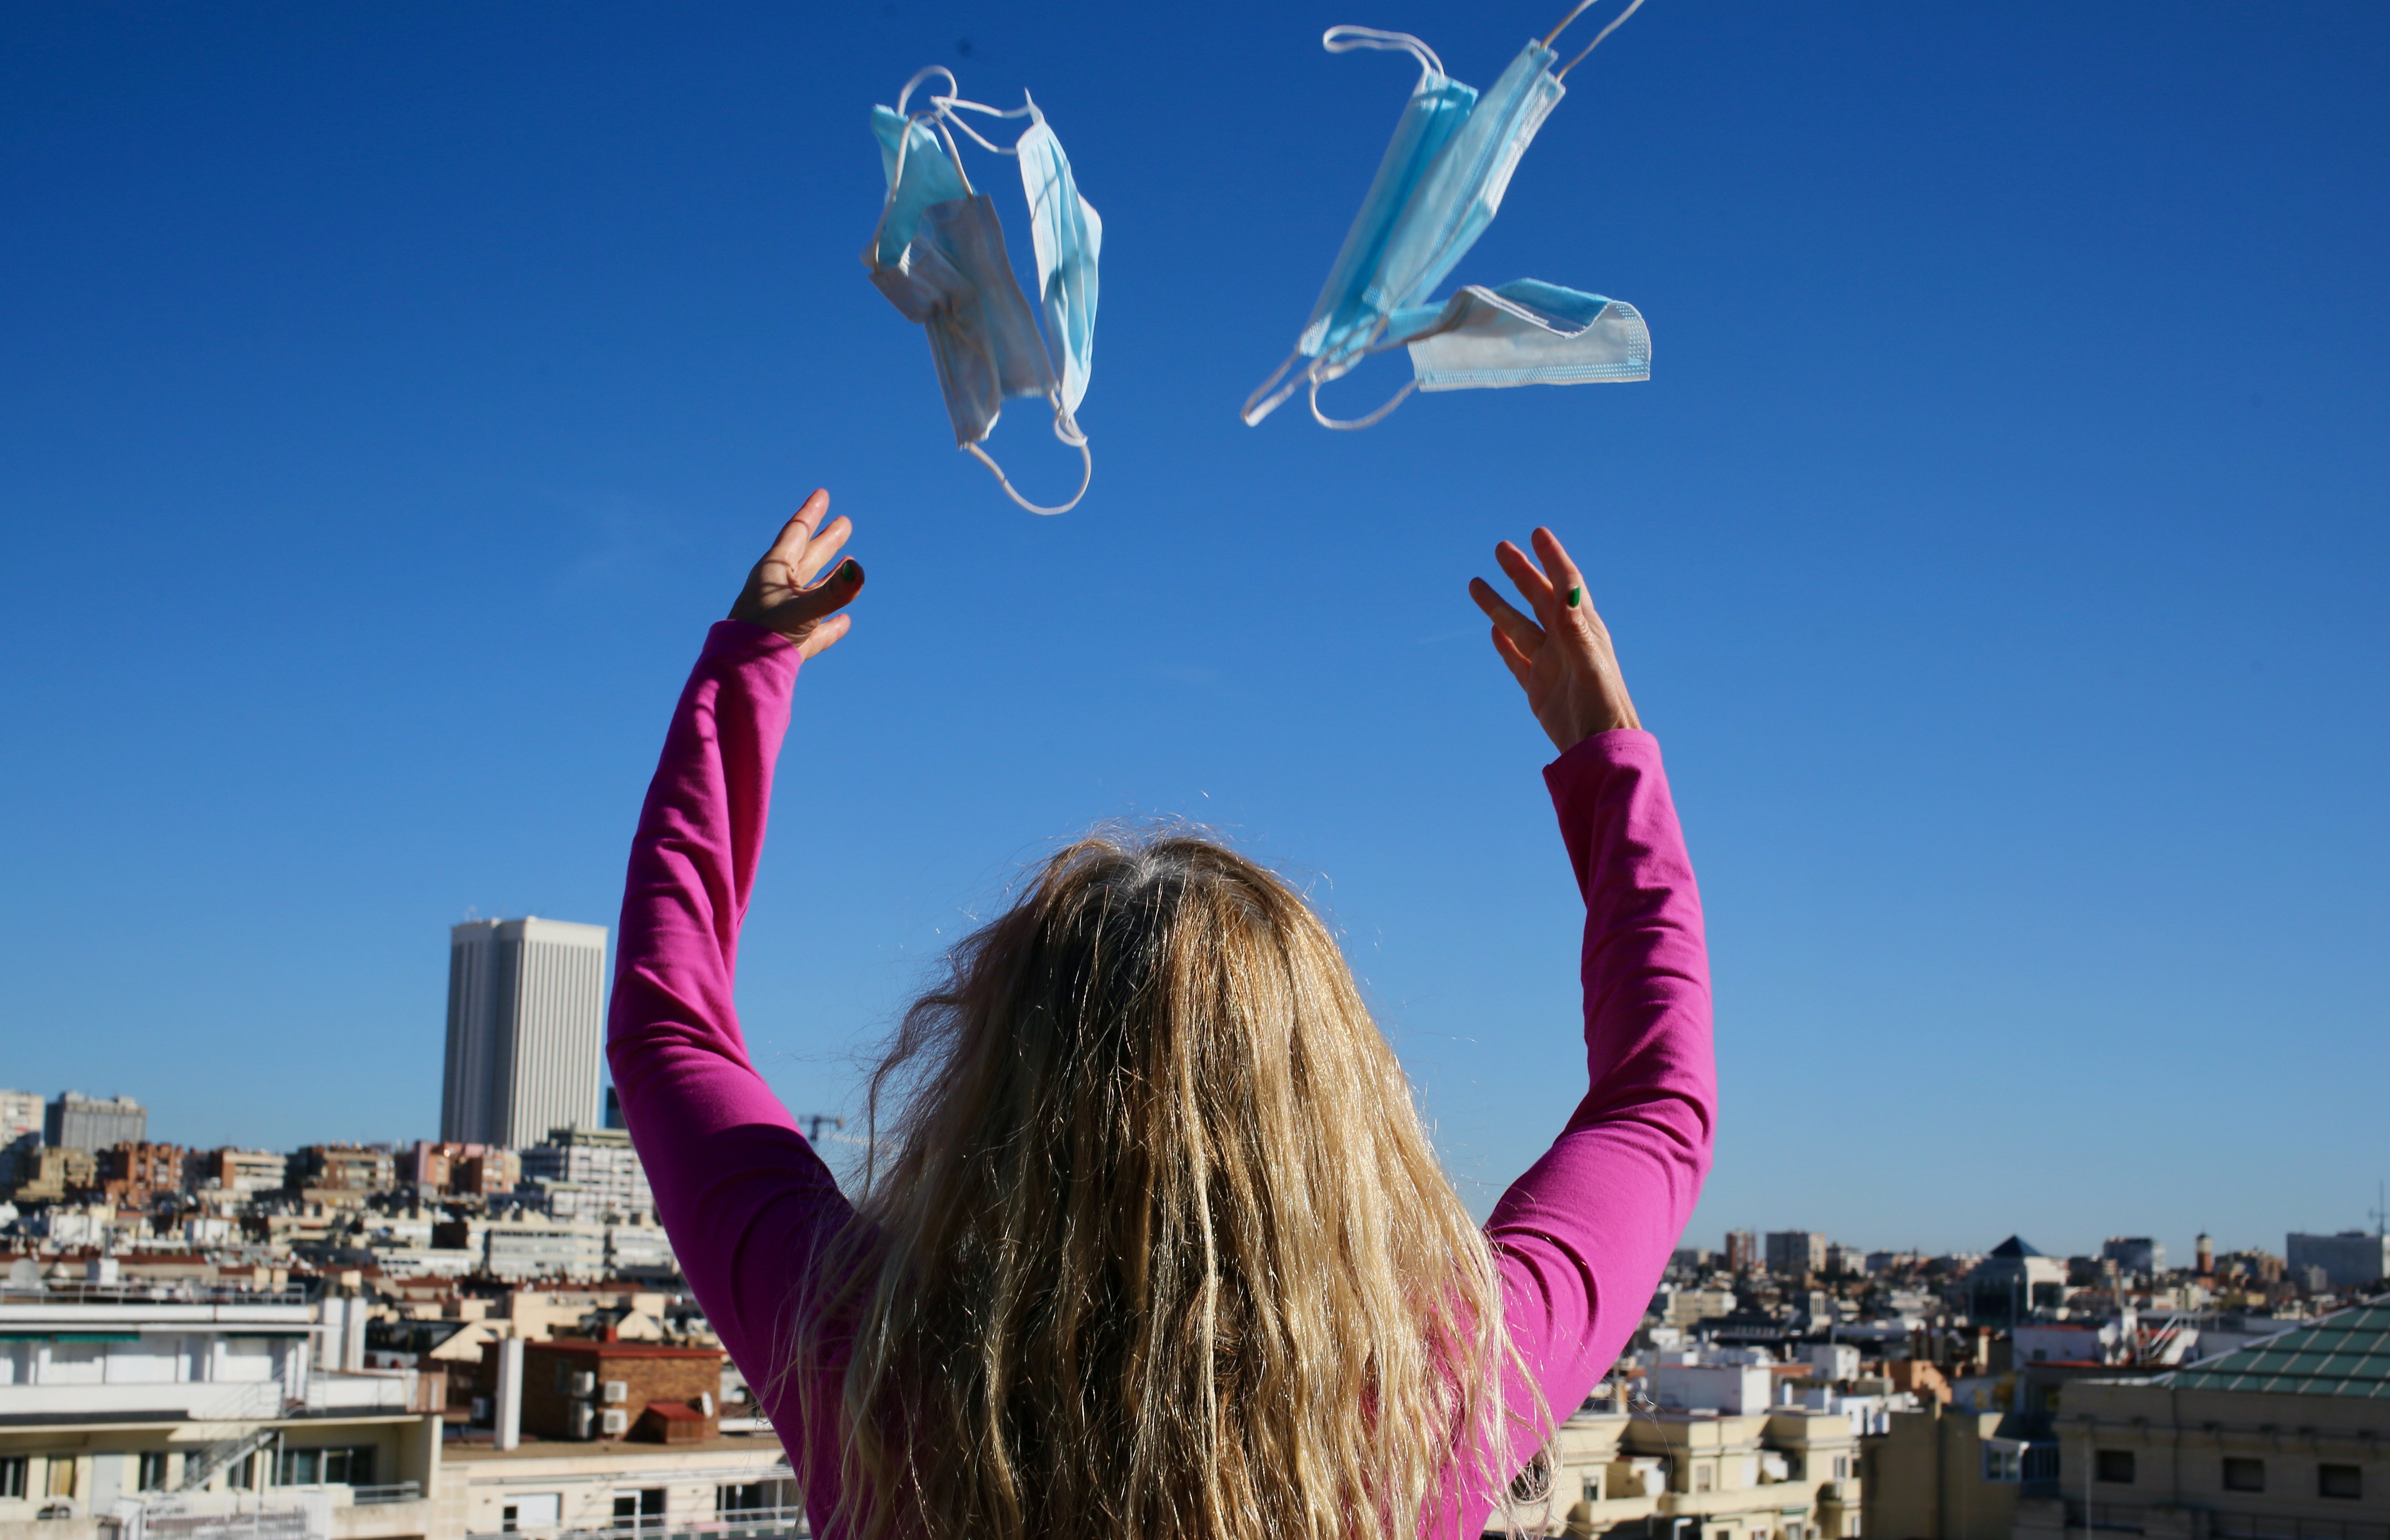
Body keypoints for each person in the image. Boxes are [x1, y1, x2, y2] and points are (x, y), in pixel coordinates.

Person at [607, 490, 1713, 1540]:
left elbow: (671, 1030)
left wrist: (742, 682)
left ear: (996, 1077)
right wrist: (1607, 756)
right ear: (1334, 1098)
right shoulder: (1447, 1389)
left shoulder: (868, 1362)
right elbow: (1657, 1107)